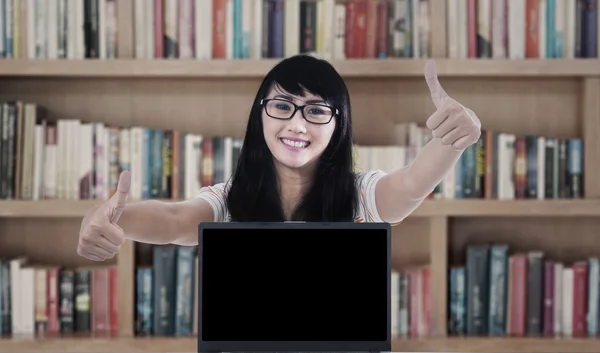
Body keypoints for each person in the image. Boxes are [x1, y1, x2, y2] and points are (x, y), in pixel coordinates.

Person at [76, 55, 481, 262]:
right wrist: (105, 218)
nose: (298, 125)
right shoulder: (227, 201)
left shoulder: (363, 197)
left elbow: (411, 184)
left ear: (338, 125)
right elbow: (171, 220)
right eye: (283, 106)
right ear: (260, 114)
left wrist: (454, 139)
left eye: (317, 110)